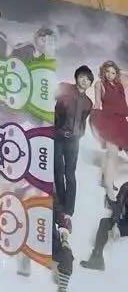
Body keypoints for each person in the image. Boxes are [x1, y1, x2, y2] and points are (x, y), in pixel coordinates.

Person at [54, 65, 94, 216]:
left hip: (73, 141)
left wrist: (79, 134)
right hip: (58, 136)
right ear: (76, 77)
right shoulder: (64, 88)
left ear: (90, 83)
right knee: (58, 171)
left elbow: (82, 120)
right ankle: (61, 205)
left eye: (88, 79)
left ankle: (69, 210)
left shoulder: (88, 103)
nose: (84, 80)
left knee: (70, 174)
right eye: (82, 77)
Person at [91, 60, 128, 189]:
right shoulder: (99, 84)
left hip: (122, 123)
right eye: (107, 71)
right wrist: (95, 120)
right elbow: (97, 103)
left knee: (114, 154)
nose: (109, 74)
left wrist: (117, 70)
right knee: (112, 154)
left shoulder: (120, 84)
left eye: (113, 72)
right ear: (103, 72)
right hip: (109, 122)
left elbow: (125, 74)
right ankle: (108, 181)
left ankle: (105, 178)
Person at [80, 179, 128, 271]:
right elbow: (118, 205)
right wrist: (115, 224)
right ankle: (97, 258)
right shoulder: (126, 186)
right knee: (104, 222)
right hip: (126, 222)